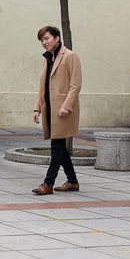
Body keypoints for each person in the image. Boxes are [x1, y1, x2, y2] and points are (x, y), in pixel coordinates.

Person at [31, 25, 81, 195]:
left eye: (46, 38)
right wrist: (37, 108)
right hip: (50, 109)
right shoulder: (48, 59)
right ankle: (72, 181)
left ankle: (48, 183)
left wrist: (66, 106)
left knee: (56, 145)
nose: (44, 43)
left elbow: (75, 85)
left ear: (57, 38)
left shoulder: (70, 56)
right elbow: (43, 86)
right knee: (59, 145)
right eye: (41, 40)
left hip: (63, 109)